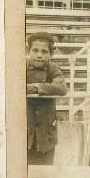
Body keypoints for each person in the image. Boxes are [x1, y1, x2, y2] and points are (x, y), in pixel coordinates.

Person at [26, 32, 67, 165]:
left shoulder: (53, 69)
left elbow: (61, 88)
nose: (39, 55)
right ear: (28, 51)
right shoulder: (21, 67)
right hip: (24, 134)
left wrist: (37, 87)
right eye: (35, 50)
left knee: (44, 176)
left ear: (51, 54)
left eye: (44, 51)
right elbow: (13, 85)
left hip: (46, 137)